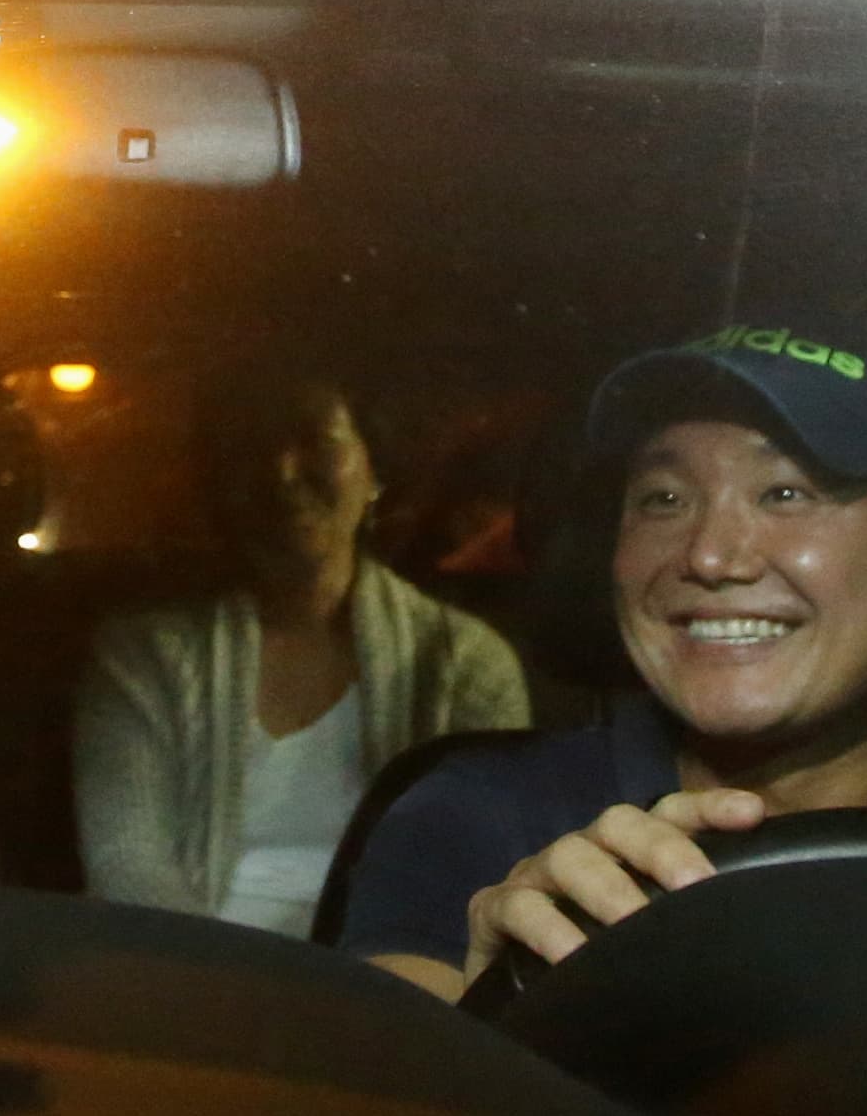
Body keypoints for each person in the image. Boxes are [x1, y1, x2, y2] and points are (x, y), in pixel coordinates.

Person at [340, 315, 867, 1000]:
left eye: (787, 492)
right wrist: (493, 1004)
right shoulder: (480, 816)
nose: (711, 557)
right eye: (663, 499)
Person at [73, 372, 530, 938]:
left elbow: (474, 869)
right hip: (185, 981)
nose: (282, 473)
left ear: (376, 471)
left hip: (386, 990)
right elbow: (127, 865)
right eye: (250, 449)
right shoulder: (143, 661)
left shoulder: (463, 663)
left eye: (315, 441)